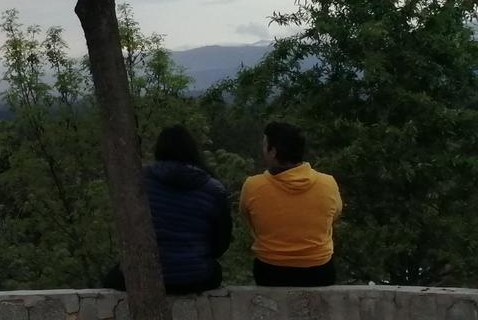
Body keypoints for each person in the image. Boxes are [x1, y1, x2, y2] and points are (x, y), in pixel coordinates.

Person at [102, 125, 232, 295]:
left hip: (148, 275)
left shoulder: (140, 179)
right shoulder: (214, 189)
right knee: (215, 270)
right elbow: (221, 243)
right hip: (196, 277)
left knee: (111, 278)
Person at [241, 120, 343, 287]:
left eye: (265, 145)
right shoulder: (328, 183)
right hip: (319, 271)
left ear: (273, 151)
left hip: (270, 272)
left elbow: (249, 220)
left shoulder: (253, 186)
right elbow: (334, 216)